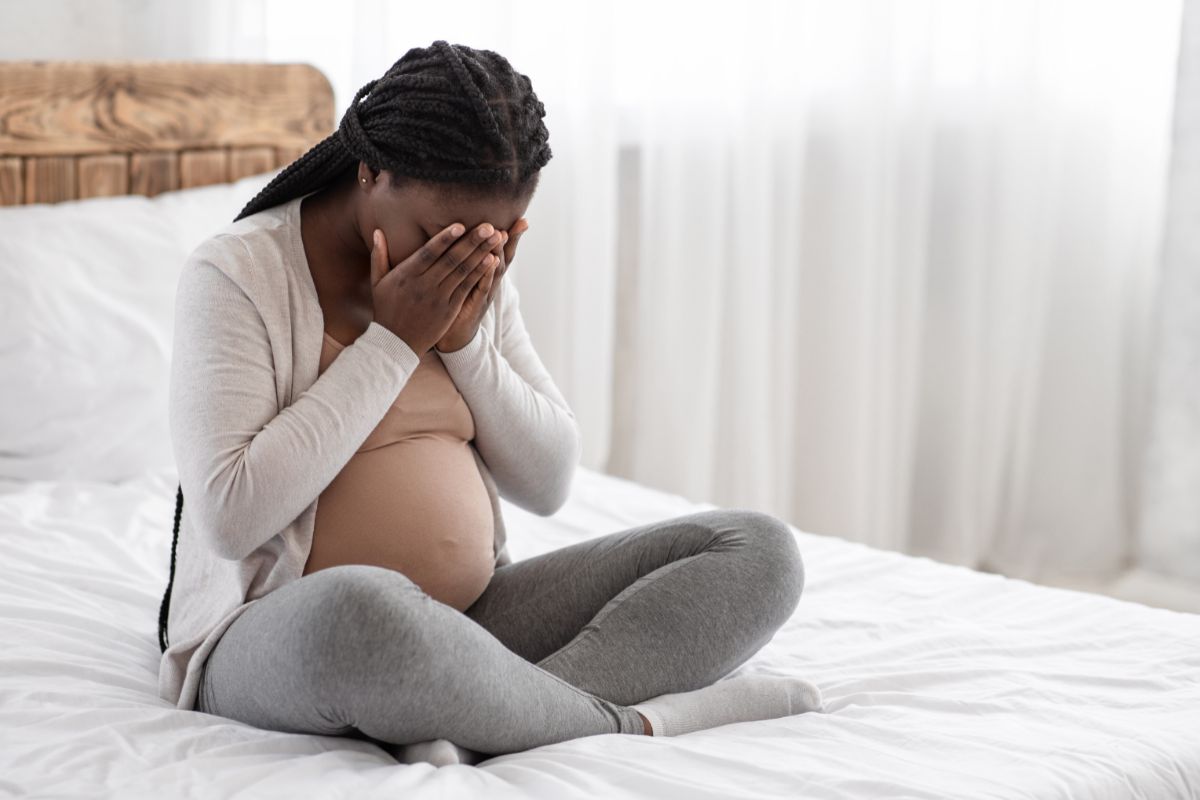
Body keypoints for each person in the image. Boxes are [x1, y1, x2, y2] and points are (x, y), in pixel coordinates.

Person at [156, 39, 823, 767]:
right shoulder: (237, 272)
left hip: (475, 620)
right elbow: (230, 515)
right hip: (288, 635)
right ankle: (632, 725)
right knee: (365, 609)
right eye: (440, 237)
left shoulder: (477, 274)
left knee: (758, 551)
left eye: (498, 239)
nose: (470, 259)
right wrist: (394, 343)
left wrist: (467, 344)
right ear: (370, 170)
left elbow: (549, 483)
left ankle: (483, 714)